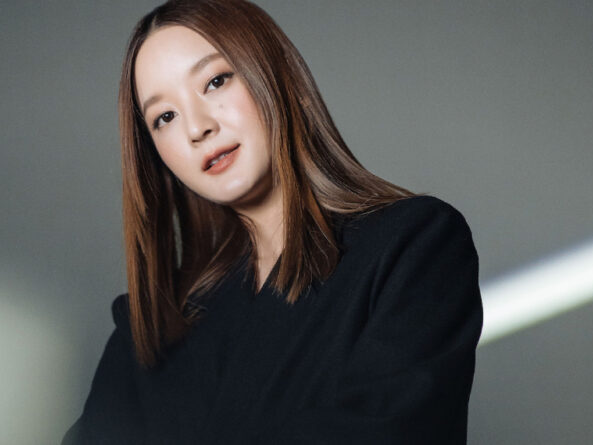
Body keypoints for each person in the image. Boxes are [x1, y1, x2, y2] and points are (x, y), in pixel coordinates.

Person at [63, 0, 483, 443]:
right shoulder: (151, 327)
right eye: (164, 117)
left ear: (277, 77)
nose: (196, 128)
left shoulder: (413, 246)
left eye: (216, 81)